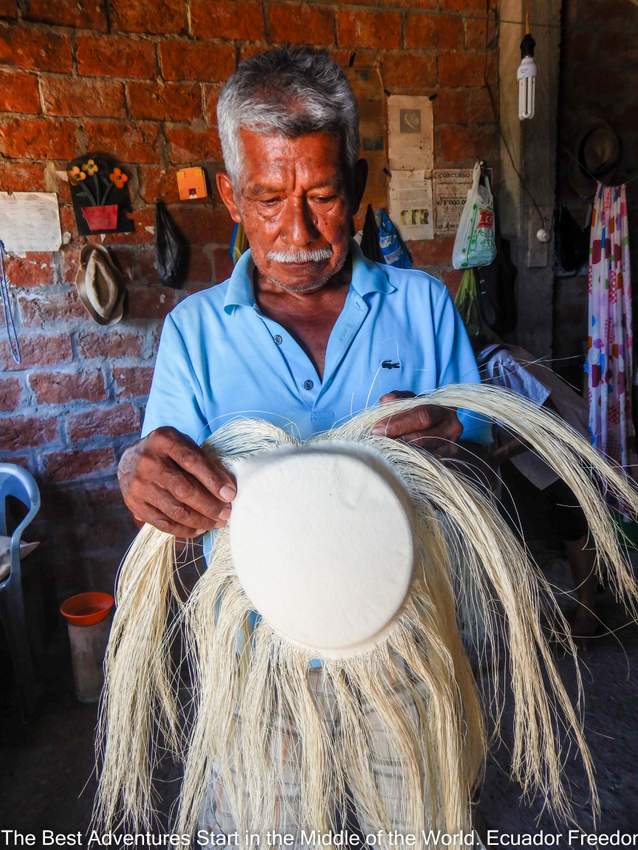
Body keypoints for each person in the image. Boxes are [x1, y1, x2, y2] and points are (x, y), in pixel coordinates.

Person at [117, 46, 489, 841]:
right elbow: (160, 462)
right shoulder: (193, 334)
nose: (297, 232)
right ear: (231, 197)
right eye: (268, 199)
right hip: (258, 668)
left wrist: (453, 441)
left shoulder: (422, 308)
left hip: (405, 653)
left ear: (356, 185)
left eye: (321, 196)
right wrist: (136, 473)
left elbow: (482, 460)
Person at [477, 341, 600, 637]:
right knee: (552, 525)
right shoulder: (469, 369)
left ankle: (588, 613)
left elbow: (550, 421)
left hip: (567, 446)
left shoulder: (500, 362)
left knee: (575, 528)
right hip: (531, 456)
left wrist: (496, 456)